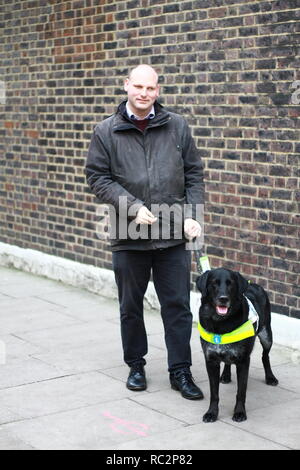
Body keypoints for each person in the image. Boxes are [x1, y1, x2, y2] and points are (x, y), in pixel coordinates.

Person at [86, 65, 205, 400]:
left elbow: (194, 173)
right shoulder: (106, 131)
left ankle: (180, 370)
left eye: (150, 88)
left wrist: (193, 215)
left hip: (172, 233)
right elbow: (98, 177)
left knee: (178, 306)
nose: (143, 93)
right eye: (137, 86)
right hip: (128, 233)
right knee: (130, 306)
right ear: (126, 86)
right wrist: (133, 205)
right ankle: (136, 365)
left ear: (157, 90)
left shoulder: (177, 125)